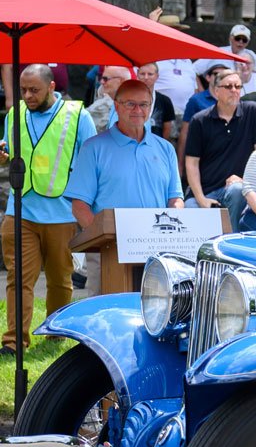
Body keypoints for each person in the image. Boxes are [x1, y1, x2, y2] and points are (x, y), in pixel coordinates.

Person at [0, 64, 96, 353]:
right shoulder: (15, 114)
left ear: (52, 87)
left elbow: (91, 162)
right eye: (23, 90)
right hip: (20, 211)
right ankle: (14, 342)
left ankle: (56, 334)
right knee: (18, 279)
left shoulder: (79, 115)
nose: (27, 95)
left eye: (34, 90)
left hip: (61, 213)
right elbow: (11, 154)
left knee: (59, 280)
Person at [67, 78, 184, 231]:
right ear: (116, 106)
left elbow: (175, 198)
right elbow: (79, 206)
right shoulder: (93, 148)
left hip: (156, 245)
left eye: (144, 104)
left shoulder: (166, 148)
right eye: (130, 104)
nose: (138, 110)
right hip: (109, 248)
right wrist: (101, 239)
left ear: (150, 107)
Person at [184, 69, 256, 218]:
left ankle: (233, 239)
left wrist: (245, 181)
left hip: (239, 189)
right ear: (216, 91)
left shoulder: (252, 111)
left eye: (238, 86)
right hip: (206, 191)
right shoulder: (199, 120)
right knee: (190, 209)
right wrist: (201, 199)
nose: (234, 90)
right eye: (228, 86)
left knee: (237, 190)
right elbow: (192, 163)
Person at [134, 63, 177, 142]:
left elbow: (167, 129)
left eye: (150, 74)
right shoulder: (129, 99)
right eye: (142, 74)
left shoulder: (165, 101)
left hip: (156, 146)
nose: (146, 77)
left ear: (157, 76)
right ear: (137, 74)